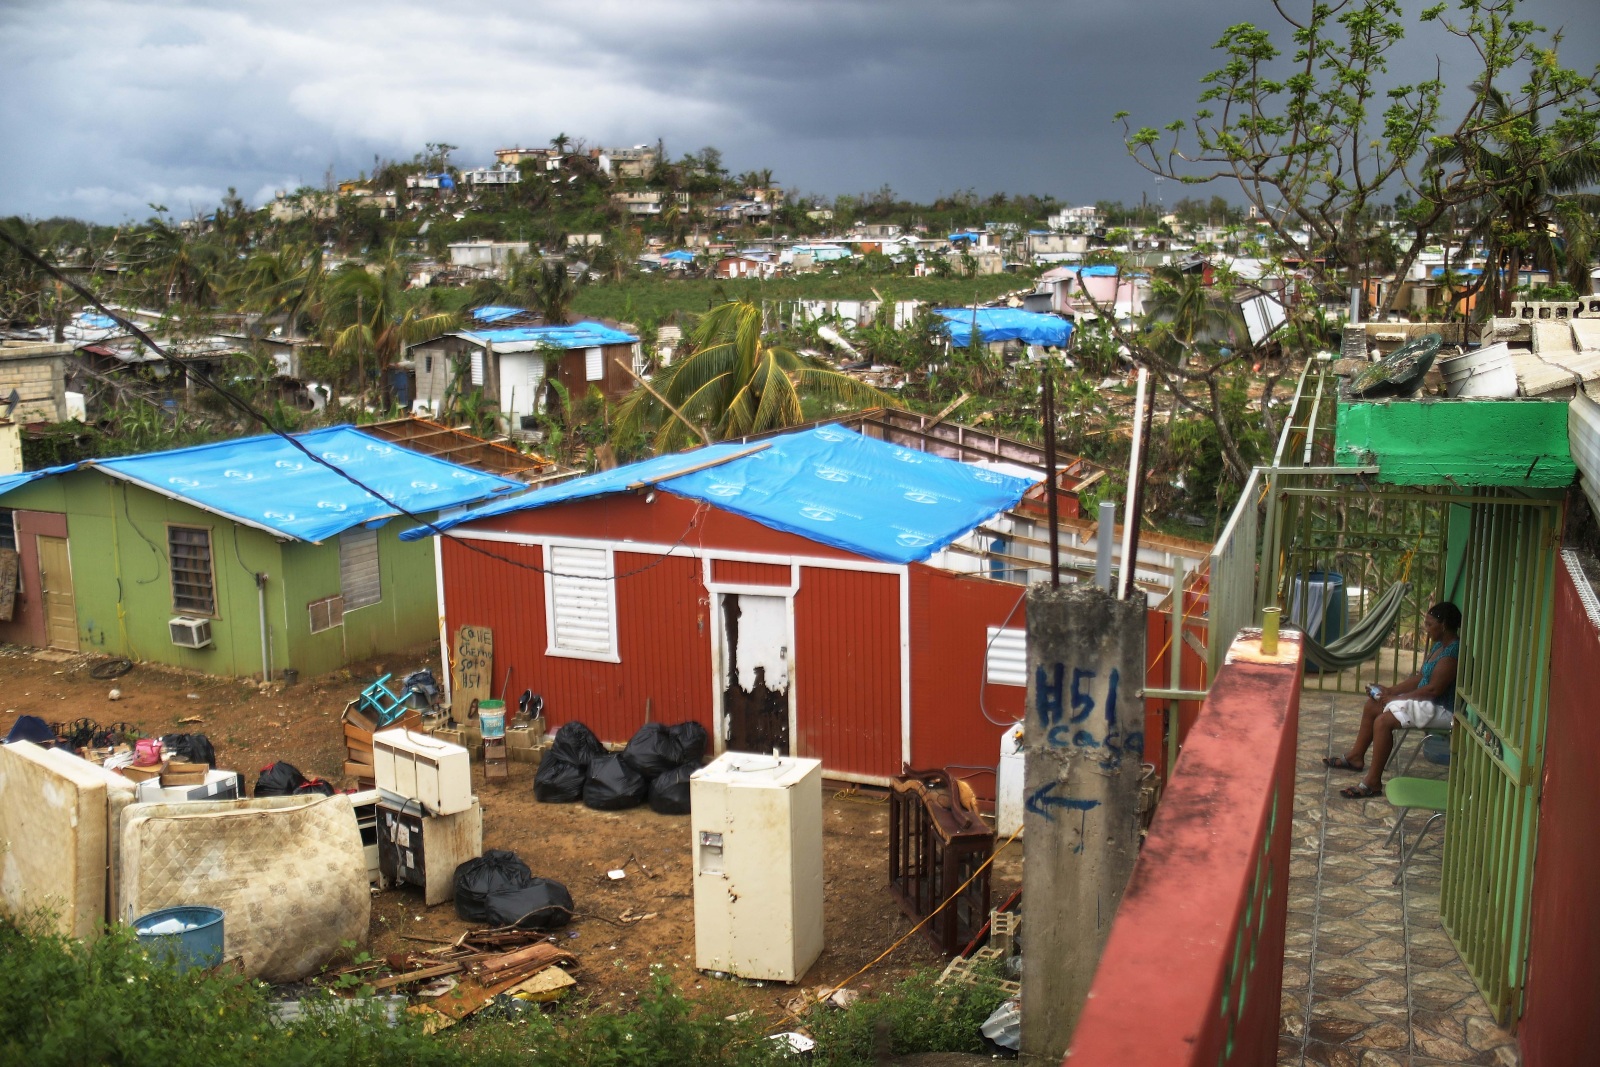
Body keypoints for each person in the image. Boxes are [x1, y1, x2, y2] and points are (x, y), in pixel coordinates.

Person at [1323, 601, 1460, 799]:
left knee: (1383, 721)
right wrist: (1389, 691)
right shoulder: (1439, 646)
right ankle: (1356, 757)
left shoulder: (1451, 653)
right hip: (1428, 703)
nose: (1426, 629)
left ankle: (1373, 782)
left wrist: (1395, 698)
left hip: (1443, 710)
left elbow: (1433, 689)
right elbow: (1421, 678)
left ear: (1444, 625)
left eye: (1430, 625)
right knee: (1374, 705)